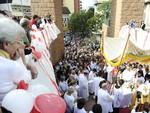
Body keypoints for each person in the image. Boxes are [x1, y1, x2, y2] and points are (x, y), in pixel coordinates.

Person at [0, 16, 33, 113]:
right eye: (17, 42)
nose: (22, 45)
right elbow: (27, 78)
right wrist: (21, 58)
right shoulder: (12, 66)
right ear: (6, 44)